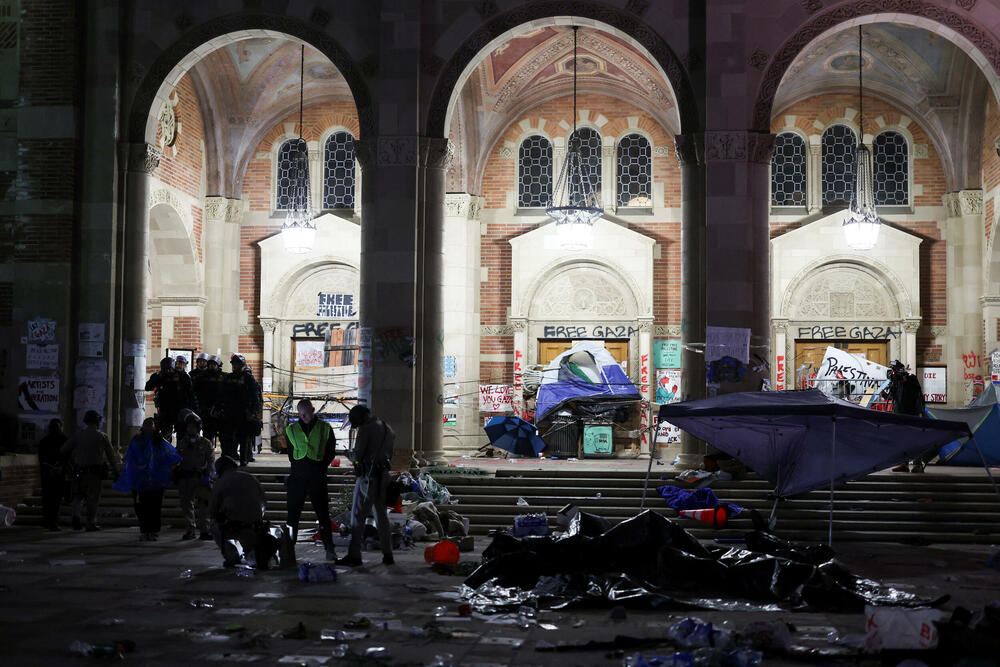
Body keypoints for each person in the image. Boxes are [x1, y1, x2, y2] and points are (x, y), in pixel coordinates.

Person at [280, 399, 338, 561]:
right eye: (302, 414)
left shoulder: (325, 428)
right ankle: (288, 551)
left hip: (317, 476)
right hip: (297, 477)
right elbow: (291, 454)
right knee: (292, 517)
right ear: (298, 413)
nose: (305, 416)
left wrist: (321, 466)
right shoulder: (291, 429)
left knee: (323, 514)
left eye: (307, 413)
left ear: (313, 410)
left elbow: (331, 451)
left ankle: (329, 548)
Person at [338, 405, 395, 567]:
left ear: (359, 418)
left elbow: (358, 455)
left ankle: (354, 555)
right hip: (384, 476)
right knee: (382, 517)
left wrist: (348, 455)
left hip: (368, 478)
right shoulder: (387, 428)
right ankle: (388, 554)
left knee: (357, 516)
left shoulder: (365, 429)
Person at [114, 418, 181, 540]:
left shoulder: (159, 441)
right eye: (147, 425)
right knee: (142, 507)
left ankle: (153, 530)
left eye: (151, 425)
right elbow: (131, 456)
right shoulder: (137, 440)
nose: (149, 428)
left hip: (156, 481)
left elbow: (170, 454)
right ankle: (145, 530)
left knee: (155, 507)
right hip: (141, 480)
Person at [209, 455, 274, 568]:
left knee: (214, 526)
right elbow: (264, 501)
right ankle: (251, 551)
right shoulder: (251, 478)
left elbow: (212, 510)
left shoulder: (221, 482)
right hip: (256, 526)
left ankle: (232, 556)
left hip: (235, 526)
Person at [61, 410, 120, 531]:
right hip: (94, 473)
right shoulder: (102, 436)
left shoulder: (78, 435)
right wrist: (116, 471)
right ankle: (90, 523)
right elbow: (111, 456)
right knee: (92, 498)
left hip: (79, 471)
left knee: (78, 496)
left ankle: (76, 516)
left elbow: (63, 449)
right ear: (97, 421)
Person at [175, 412, 215, 540]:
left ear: (198, 428)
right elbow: (176, 460)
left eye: (193, 426)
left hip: (200, 478)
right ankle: (190, 530)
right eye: (189, 426)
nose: (190, 429)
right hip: (186, 477)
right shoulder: (182, 443)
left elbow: (211, 461)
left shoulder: (206, 443)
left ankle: (205, 530)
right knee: (187, 505)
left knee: (204, 506)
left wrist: (208, 475)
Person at [218, 354, 262, 466]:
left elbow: (255, 397)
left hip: (243, 413)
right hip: (229, 412)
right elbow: (222, 394)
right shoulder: (228, 378)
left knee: (244, 438)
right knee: (228, 438)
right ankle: (228, 460)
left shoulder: (248, 378)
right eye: (233, 364)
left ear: (241, 365)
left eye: (237, 364)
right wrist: (219, 407)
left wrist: (253, 412)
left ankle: (244, 460)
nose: (234, 366)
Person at [145, 356, 197, 441]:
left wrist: (192, 409)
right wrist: (157, 377)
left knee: (181, 434)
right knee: (165, 435)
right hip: (165, 409)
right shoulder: (160, 376)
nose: (168, 371)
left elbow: (190, 394)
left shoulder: (182, 376)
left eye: (170, 369)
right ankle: (167, 448)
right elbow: (148, 387)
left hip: (180, 409)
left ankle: (180, 448)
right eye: (166, 370)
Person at [37, 418, 67, 531]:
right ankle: (53, 522)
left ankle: (47, 520)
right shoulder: (64, 439)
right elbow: (67, 456)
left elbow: (41, 458)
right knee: (56, 499)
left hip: (47, 472)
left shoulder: (44, 441)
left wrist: (47, 467)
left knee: (47, 498)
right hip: (59, 472)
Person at [193, 354, 224, 441]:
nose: (212, 366)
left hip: (218, 410)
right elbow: (196, 392)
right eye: (210, 364)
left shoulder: (223, 377)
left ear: (218, 365)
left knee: (222, 435)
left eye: (214, 364)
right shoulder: (201, 377)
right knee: (207, 434)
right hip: (205, 409)